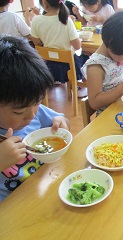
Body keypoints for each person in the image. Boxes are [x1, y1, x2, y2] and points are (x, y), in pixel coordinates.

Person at [0, 35, 70, 202]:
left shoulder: (32, 108)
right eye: (19, 112)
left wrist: (61, 123)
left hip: (45, 188)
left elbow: (61, 120)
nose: (31, 115)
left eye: (38, 103)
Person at [81, 10, 123, 116]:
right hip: (108, 117)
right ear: (112, 43)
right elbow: (94, 103)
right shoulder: (96, 66)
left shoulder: (121, 56)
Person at [30, 0, 87, 97]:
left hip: (48, 66)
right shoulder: (66, 20)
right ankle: (80, 86)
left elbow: (36, 43)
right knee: (86, 57)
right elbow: (77, 46)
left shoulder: (36, 20)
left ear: (44, 3)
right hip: (69, 66)